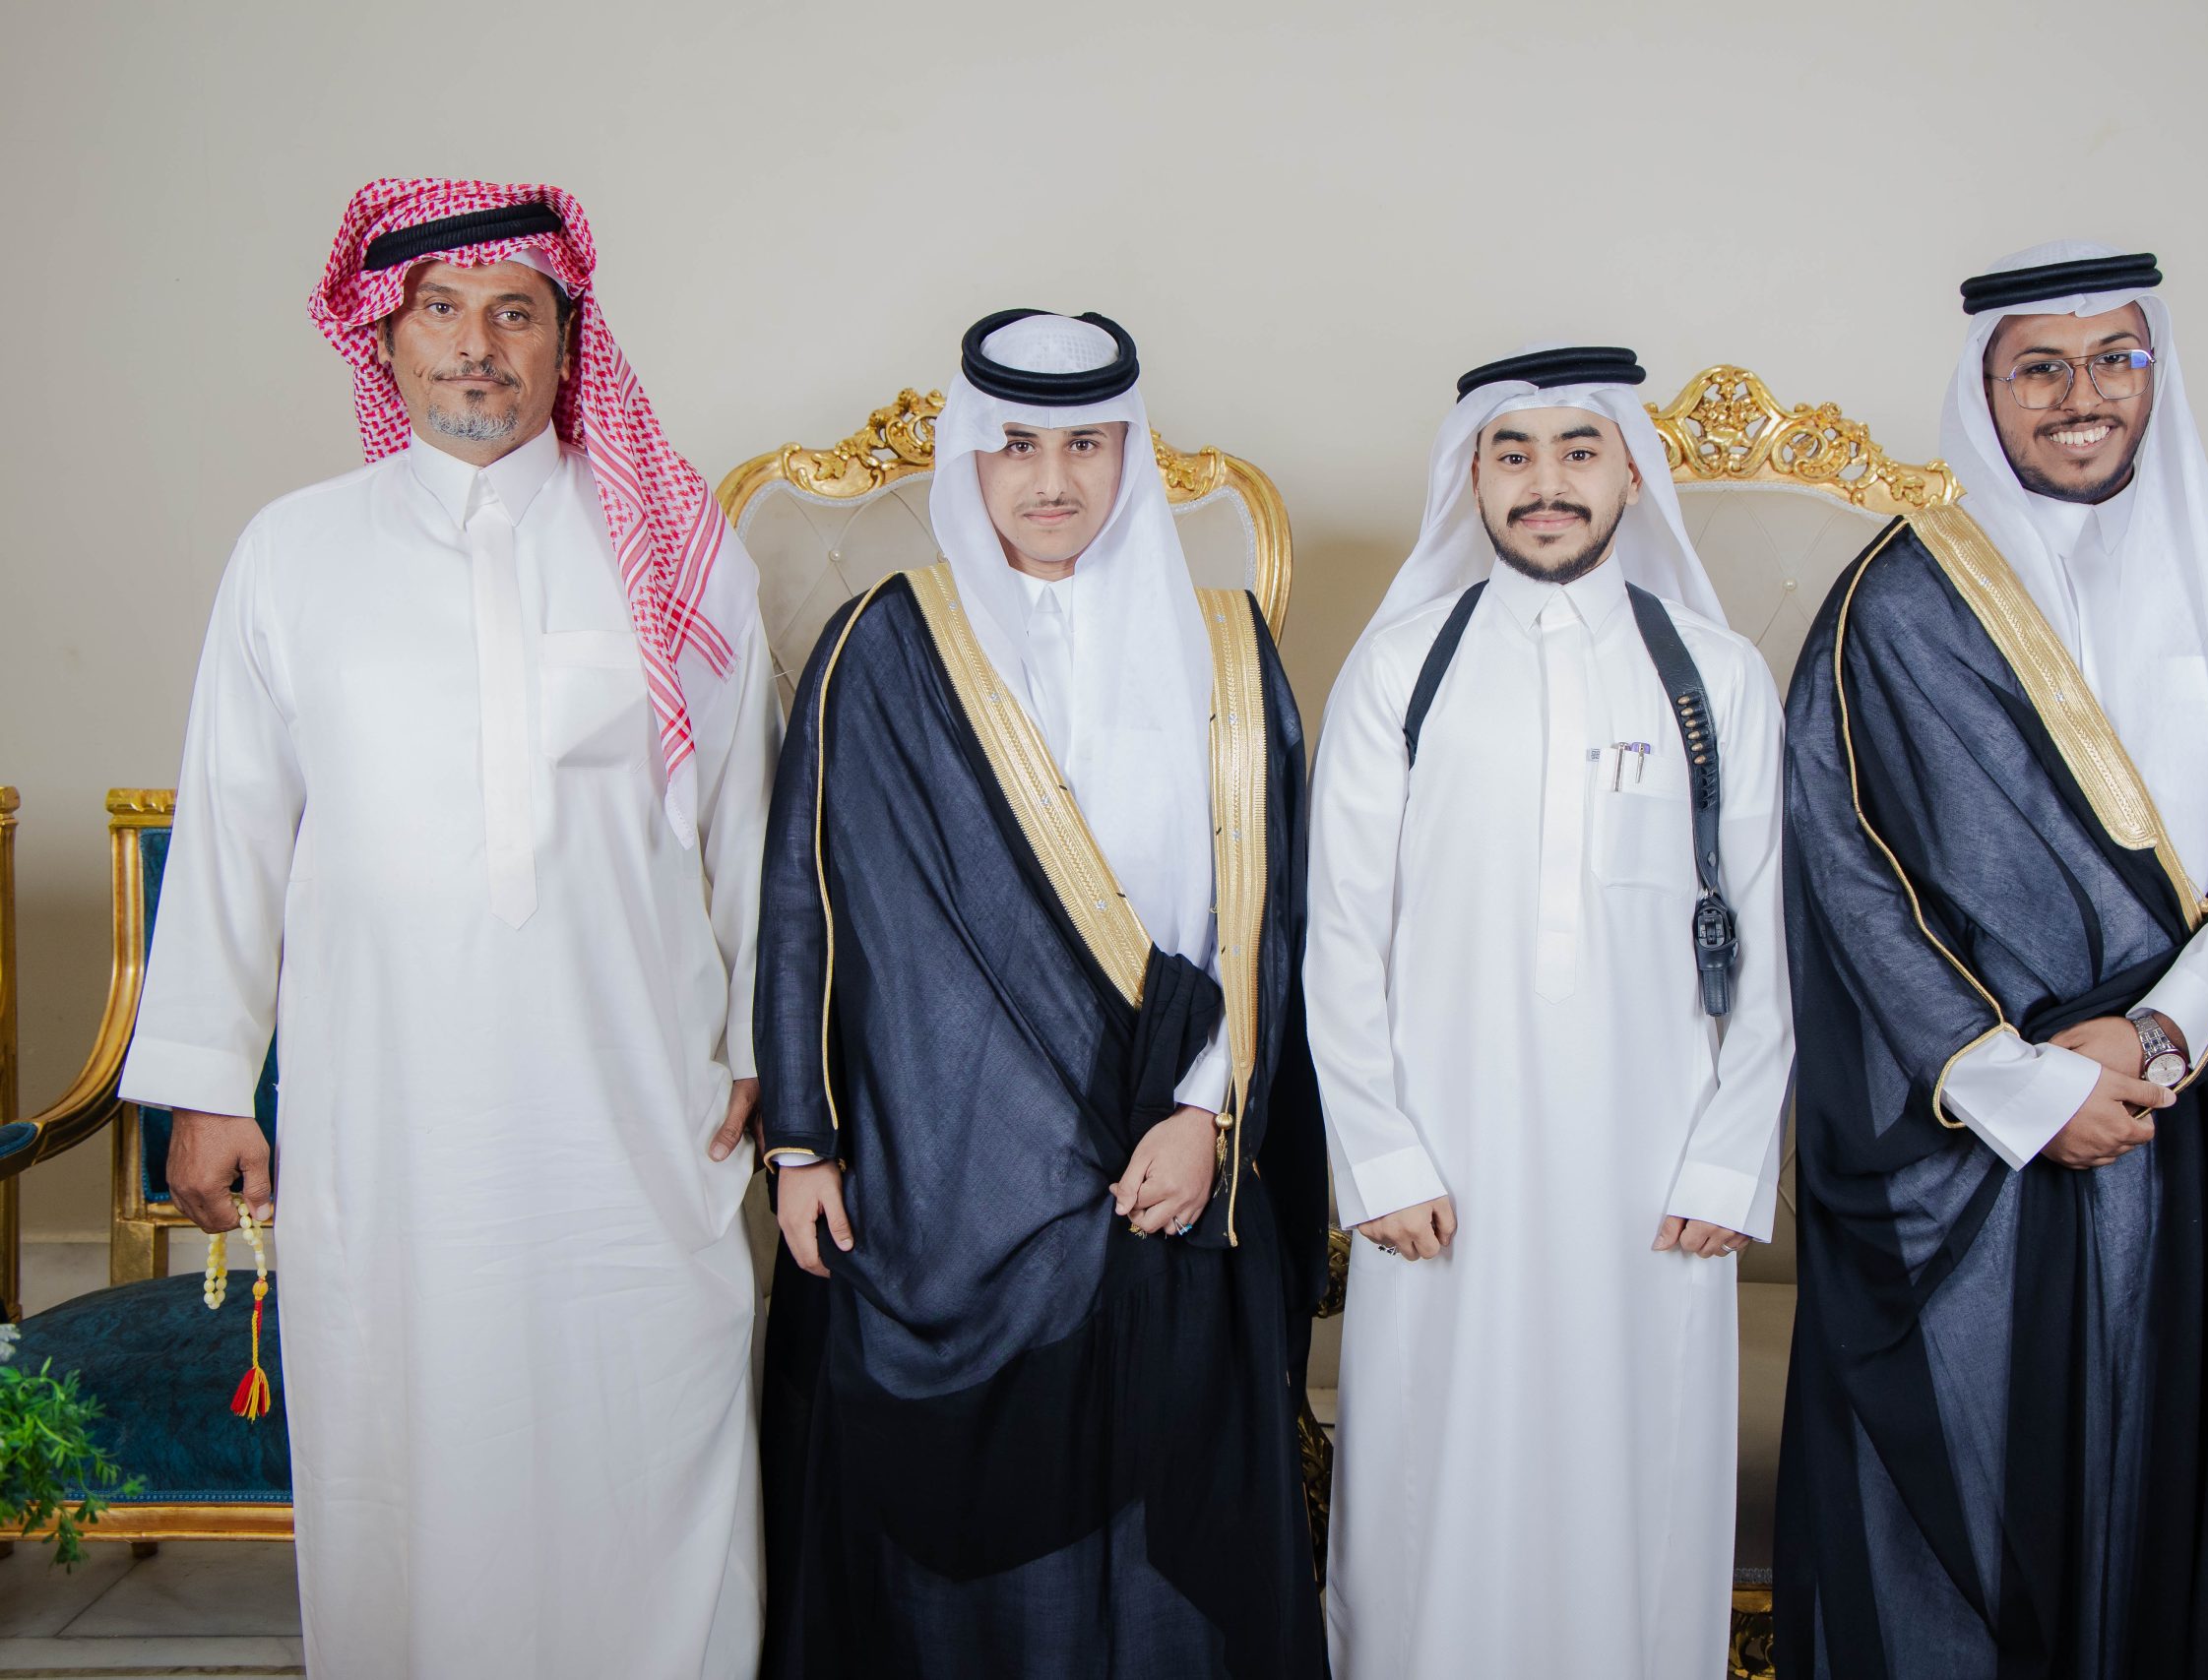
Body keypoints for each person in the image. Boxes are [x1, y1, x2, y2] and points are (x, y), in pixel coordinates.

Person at [118, 179, 778, 1677]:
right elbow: (230, 827)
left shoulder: (671, 545)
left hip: (634, 1093)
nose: (477, 346)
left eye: (514, 313)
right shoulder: (294, 552)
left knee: (649, 1414)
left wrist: (762, 1041)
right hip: (390, 1108)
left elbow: (746, 815)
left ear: (565, 344)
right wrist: (209, 1084)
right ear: (383, 338)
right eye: (440, 311)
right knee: (406, 1428)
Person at [1772, 243, 2208, 1679]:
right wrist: (2023, 1085)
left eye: (2115, 360)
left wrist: (2155, 1041)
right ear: (1986, 390)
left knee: (2186, 1507)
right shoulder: (1897, 601)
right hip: (1975, 1136)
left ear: (2156, 375)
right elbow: (1845, 875)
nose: (2080, 395)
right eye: (2040, 367)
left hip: (2190, 1114)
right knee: (1980, 1514)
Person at [752, 309, 1329, 1678]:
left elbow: (1266, 917)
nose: (1052, 479)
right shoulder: (883, 644)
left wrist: (1208, 1118)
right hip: (933, 1170)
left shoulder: (1225, 649)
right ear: (969, 455)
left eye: (1086, 445)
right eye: (1015, 445)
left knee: (1158, 1508)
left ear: (1133, 455)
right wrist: (803, 1142)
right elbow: (803, 903)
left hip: (1159, 1155)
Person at [1305, 345, 1793, 1679]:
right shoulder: (1400, 670)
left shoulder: (1715, 680)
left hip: (1657, 1176)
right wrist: (1380, 1155)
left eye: (1580, 450)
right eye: (1512, 454)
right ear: (1471, 478)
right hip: (1441, 1173)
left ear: (1632, 471)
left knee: (1638, 1490)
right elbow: (1339, 938)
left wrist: (1729, 1160)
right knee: (1430, 1494)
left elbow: (1763, 944)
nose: (1546, 483)